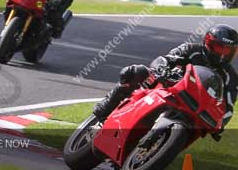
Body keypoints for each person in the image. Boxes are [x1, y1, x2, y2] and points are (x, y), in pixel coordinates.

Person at [92, 24, 238, 135]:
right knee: (136, 72)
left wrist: (220, 123)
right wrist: (162, 68)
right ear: (209, 42)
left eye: (228, 51)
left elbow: (229, 107)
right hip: (168, 86)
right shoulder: (191, 50)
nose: (223, 54)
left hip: (194, 108)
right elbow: (165, 59)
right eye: (220, 48)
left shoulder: (230, 76)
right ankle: (103, 112)